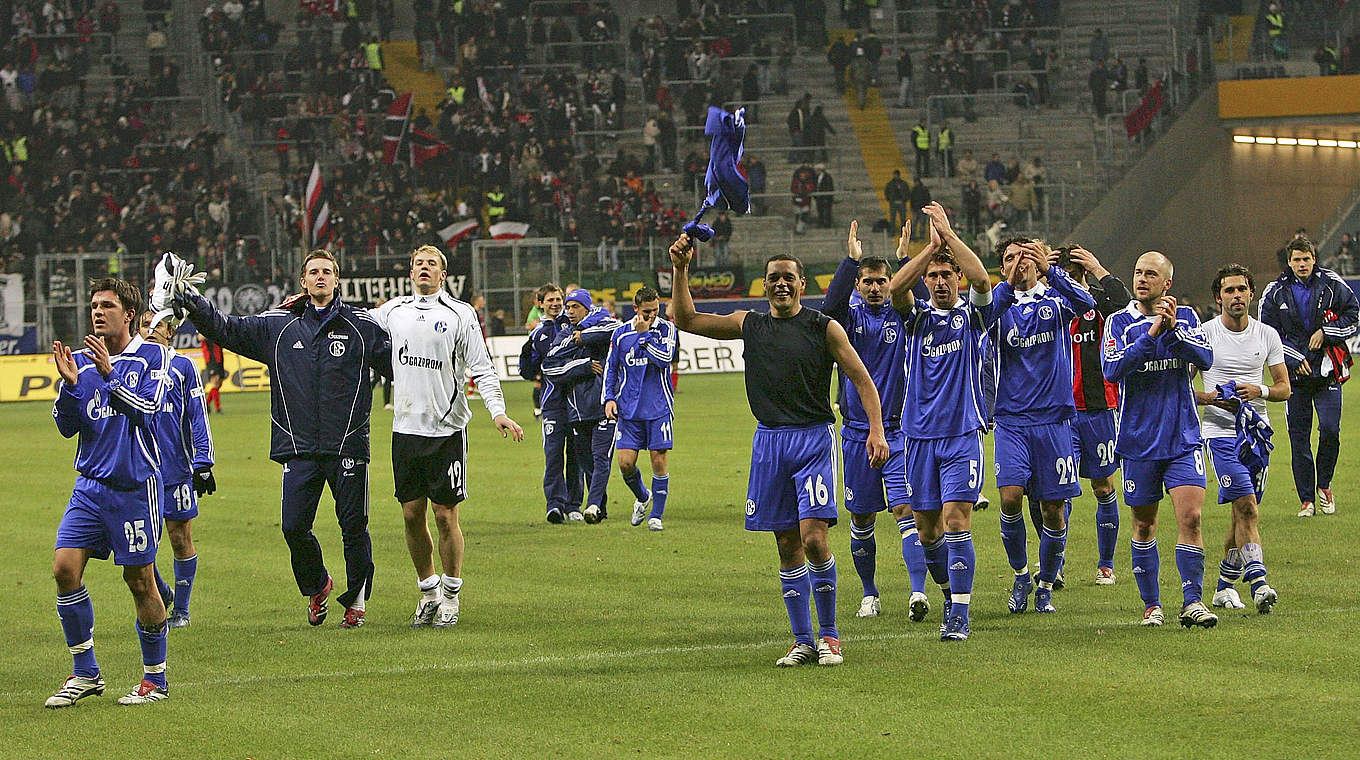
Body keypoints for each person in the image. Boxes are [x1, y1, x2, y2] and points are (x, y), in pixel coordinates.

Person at [666, 230, 888, 667]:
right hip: (768, 441)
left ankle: (830, 636)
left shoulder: (824, 328)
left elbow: (862, 380)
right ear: (764, 285)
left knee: (814, 538)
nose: (781, 284)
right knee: (786, 544)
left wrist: (875, 431)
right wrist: (680, 268)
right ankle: (802, 640)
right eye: (773, 278)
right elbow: (687, 319)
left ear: (802, 285)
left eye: (789, 277)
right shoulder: (750, 324)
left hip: (813, 439)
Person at [174, 249, 391, 628]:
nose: (320, 277)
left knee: (353, 526)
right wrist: (192, 302)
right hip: (299, 446)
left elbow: (399, 367)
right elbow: (225, 327)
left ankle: (356, 602)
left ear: (337, 280)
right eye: (313, 272)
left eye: (327, 272)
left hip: (348, 445)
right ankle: (318, 585)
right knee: (293, 527)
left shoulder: (362, 325)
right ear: (303, 282)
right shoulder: (277, 326)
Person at [370, 246, 524, 629]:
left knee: (444, 515)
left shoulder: (460, 314)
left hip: (446, 431)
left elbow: (482, 368)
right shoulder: (392, 312)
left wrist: (498, 410)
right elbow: (351, 324)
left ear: (443, 274)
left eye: (432, 265)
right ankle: (428, 590)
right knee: (410, 514)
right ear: (410, 271)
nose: (424, 269)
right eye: (418, 263)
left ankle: (452, 595)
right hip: (405, 430)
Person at [48, 277, 172, 707]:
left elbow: (148, 409)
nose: (97, 312)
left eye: (106, 306)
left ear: (130, 314)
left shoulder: (153, 355)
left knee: (139, 581)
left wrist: (109, 375)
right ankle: (85, 672)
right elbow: (67, 427)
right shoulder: (80, 361)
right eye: (94, 305)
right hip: (90, 487)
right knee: (65, 569)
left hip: (135, 488)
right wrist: (69, 387)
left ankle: (155, 680)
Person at [888, 202, 1004, 640]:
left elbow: (981, 278)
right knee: (927, 528)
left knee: (957, 519)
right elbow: (898, 288)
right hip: (917, 436)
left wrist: (950, 237)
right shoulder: (915, 318)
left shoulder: (973, 315)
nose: (939, 282)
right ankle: (946, 588)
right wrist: (929, 248)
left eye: (945, 275)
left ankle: (959, 612)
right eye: (933, 276)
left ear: (955, 279)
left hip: (961, 434)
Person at [823, 220, 933, 622]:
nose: (874, 287)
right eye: (867, 281)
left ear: (890, 282)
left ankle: (917, 593)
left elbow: (923, 300)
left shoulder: (904, 316)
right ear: (858, 284)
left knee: (906, 511)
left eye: (881, 281)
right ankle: (870, 593)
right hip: (855, 433)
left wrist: (906, 259)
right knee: (862, 517)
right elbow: (829, 309)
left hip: (900, 430)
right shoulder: (848, 319)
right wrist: (848, 262)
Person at [1101, 251, 1217, 629]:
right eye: (1137, 272)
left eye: (1151, 274)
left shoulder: (1185, 318)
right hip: (1138, 441)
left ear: (1167, 283)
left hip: (1183, 437)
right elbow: (1113, 369)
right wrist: (1152, 335)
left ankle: (1192, 601)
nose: (1142, 279)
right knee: (1145, 525)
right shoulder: (1118, 322)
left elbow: (1206, 357)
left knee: (1192, 517)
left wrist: (1173, 333)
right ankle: (1152, 604)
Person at [990, 238, 1096, 614]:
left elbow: (1088, 305)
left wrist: (1052, 271)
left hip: (1054, 421)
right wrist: (1006, 282)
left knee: (1053, 509)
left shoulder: (1054, 302)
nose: (1018, 263)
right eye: (1009, 259)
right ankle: (1021, 575)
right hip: (1012, 421)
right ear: (1002, 268)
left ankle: (1046, 584)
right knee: (1009, 497)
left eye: (1025, 256)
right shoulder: (998, 307)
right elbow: (983, 315)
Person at [1196, 264, 1288, 615]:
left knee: (1241, 515)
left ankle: (1222, 588)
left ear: (1251, 294)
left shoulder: (1267, 335)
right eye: (1229, 290)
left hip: (1256, 435)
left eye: (1241, 289)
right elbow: (1183, 390)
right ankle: (1260, 583)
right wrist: (1212, 398)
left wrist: (1258, 389)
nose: (1236, 296)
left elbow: (1283, 388)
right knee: (1247, 507)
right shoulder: (1204, 335)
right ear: (1218, 297)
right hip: (1219, 435)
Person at [1259, 237, 1359, 517]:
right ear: (1288, 262)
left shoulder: (1332, 283)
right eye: (1296, 260)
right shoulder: (1275, 291)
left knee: (1330, 430)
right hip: (1294, 378)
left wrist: (1328, 332)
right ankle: (1306, 500)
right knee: (1298, 438)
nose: (1302, 264)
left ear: (1314, 258)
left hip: (1327, 371)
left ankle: (1324, 485)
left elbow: (1354, 315)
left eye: (1306, 259)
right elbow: (1267, 331)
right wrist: (1291, 356)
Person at [1058, 246, 1131, 585]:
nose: (1067, 274)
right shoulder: (1050, 306)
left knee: (1102, 486)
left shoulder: (1098, 305)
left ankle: (1106, 564)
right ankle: (1055, 565)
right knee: (1060, 491)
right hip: (1060, 413)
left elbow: (1125, 305)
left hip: (1100, 410)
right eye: (1061, 269)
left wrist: (1098, 267)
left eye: (1073, 269)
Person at [139, 311, 214, 629]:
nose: (152, 330)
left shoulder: (184, 366)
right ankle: (164, 592)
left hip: (176, 472)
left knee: (179, 538)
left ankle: (181, 610)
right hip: (138, 472)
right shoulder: (129, 367)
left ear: (171, 331)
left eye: (159, 325)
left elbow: (198, 414)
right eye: (145, 324)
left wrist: (203, 461)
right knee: (137, 545)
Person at [542, 289, 622, 524]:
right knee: (587, 462)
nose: (570, 311)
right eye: (568, 307)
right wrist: (583, 365)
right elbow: (550, 366)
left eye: (575, 306)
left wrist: (584, 335)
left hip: (604, 405)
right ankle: (602, 506)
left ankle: (594, 504)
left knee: (601, 458)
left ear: (587, 308)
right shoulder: (566, 334)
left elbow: (615, 328)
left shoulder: (604, 324)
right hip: (576, 410)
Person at [603, 286, 677, 531]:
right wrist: (609, 398)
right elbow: (611, 368)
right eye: (646, 312)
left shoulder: (666, 329)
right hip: (628, 409)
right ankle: (644, 496)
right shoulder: (621, 334)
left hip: (658, 407)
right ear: (635, 309)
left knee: (659, 458)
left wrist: (645, 336)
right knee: (625, 464)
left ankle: (656, 515)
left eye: (655, 310)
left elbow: (665, 359)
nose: (652, 316)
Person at [519, 284, 585, 522]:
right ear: (540, 304)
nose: (556, 303)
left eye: (559, 299)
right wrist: (532, 365)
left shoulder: (577, 325)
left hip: (578, 401)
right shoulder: (538, 334)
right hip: (553, 402)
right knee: (554, 453)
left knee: (576, 454)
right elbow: (527, 370)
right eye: (550, 300)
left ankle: (574, 505)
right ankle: (555, 504)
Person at [200, 334, 226, 413]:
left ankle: (206, 404)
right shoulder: (204, 328)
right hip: (211, 359)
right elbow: (200, 337)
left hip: (219, 357)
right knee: (215, 382)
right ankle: (218, 408)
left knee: (219, 383)